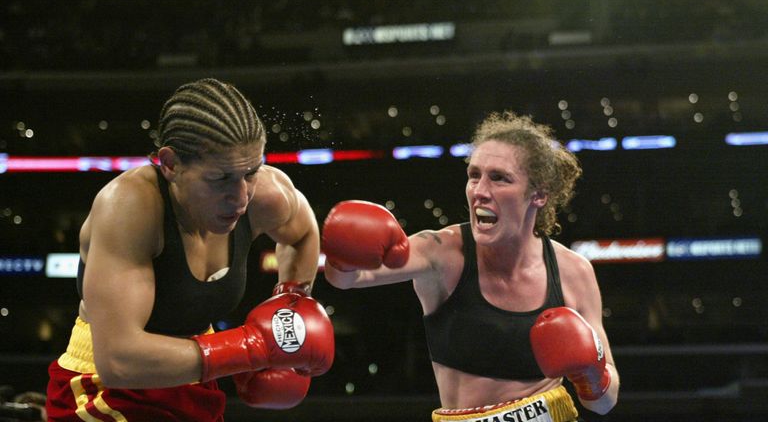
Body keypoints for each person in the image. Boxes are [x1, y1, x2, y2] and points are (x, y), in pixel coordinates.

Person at [45, 78, 335, 421]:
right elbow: (119, 361)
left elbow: (302, 234)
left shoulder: (266, 195)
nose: (241, 196)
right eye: (220, 178)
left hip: (195, 376)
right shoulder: (130, 207)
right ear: (170, 164)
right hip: (103, 387)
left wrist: (291, 302)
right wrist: (253, 347)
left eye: (251, 172)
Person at [322, 111, 619, 421]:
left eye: (499, 178)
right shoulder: (442, 253)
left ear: (539, 195)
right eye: (474, 175)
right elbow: (345, 279)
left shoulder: (573, 271)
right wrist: (344, 253)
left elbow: (605, 402)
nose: (479, 191)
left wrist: (593, 375)